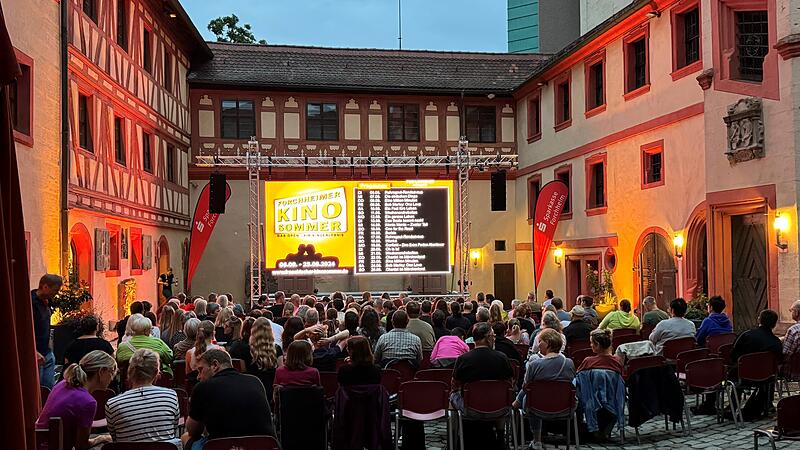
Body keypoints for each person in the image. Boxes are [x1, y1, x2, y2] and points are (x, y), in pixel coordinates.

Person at [183, 349, 275, 450]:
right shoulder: (255, 381)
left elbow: (193, 431)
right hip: (264, 445)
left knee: (186, 437)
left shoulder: (203, 387)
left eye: (200, 370)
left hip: (222, 446)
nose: (198, 377)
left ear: (215, 365)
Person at [450, 322, 513, 449]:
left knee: (452, 396)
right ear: (488, 337)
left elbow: (454, 384)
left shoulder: (463, 359)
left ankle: (454, 437)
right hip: (498, 407)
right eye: (493, 336)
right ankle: (500, 434)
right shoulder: (502, 358)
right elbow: (509, 383)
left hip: (471, 408)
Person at [36, 350, 117, 449]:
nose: (112, 378)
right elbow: (81, 446)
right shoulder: (88, 402)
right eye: (111, 372)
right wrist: (100, 438)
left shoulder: (63, 384)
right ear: (101, 371)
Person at [512, 329, 576, 450]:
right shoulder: (569, 363)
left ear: (547, 343)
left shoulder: (534, 364)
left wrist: (517, 401)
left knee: (530, 396)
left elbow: (526, 387)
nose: (538, 344)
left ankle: (536, 440)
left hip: (537, 407)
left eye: (540, 341)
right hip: (564, 405)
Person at [105, 348, 180, 446]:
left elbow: (116, 439)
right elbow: (173, 430)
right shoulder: (171, 396)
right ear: (156, 372)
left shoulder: (113, 404)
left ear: (130, 371)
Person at [32, 274, 63, 389]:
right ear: (45, 287)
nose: (56, 293)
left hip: (47, 353)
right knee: (38, 390)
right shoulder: (31, 302)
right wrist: (34, 351)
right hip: (36, 355)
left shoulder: (46, 301)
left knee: (49, 389)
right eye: (55, 290)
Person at [247, 317, 283, 403]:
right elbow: (281, 369)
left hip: (251, 389)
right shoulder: (276, 349)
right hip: (271, 389)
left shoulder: (247, 349)